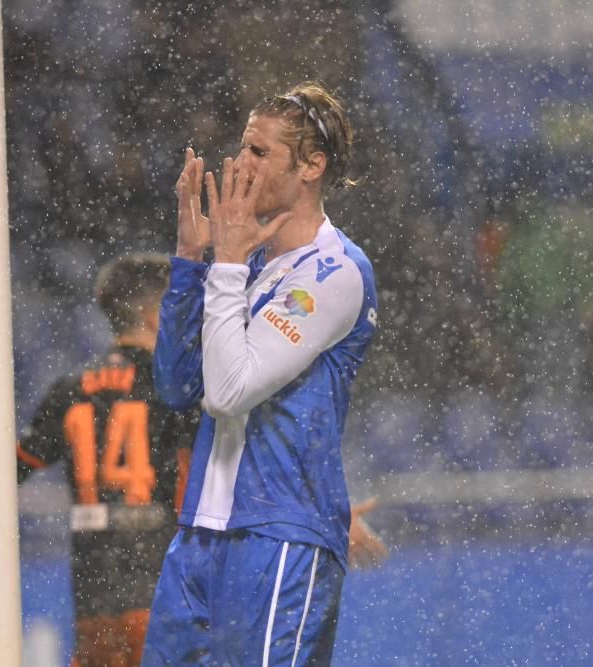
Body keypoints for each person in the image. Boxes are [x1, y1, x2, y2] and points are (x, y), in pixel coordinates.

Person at [143, 81, 378, 665]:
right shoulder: (241, 262)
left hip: (279, 532)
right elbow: (177, 387)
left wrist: (222, 266)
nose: (239, 165)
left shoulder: (333, 272)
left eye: (259, 152)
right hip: (203, 527)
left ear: (312, 166)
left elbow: (228, 394)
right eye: (242, 147)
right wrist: (190, 262)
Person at [0, 253, 200, 667]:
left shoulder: (71, 389)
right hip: (161, 583)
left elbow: (6, 474)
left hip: (95, 594)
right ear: (155, 315)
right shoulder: (176, 387)